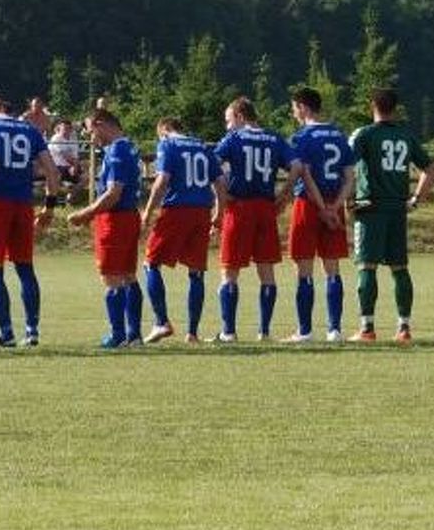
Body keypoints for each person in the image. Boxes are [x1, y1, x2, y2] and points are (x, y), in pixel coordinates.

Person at [0, 92, 63, 347]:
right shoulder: (30, 130)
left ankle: (6, 332)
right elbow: (52, 172)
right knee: (25, 268)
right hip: (23, 204)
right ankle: (32, 331)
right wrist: (49, 207)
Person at [345, 88, 434, 343]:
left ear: (371, 106)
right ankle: (404, 328)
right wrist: (416, 199)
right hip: (397, 208)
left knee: (366, 267)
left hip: (370, 207)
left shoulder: (363, 135)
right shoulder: (406, 136)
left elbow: (348, 169)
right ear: (395, 108)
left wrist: (347, 200)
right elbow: (430, 169)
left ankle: (367, 328)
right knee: (399, 268)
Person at [211, 97, 293, 342]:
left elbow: (211, 164)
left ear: (239, 116)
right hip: (266, 208)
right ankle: (264, 332)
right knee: (267, 272)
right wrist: (284, 195)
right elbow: (298, 167)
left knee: (229, 272)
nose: (227, 127)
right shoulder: (275, 138)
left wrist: (223, 195)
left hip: (240, 208)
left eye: (228, 120)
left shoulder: (234, 139)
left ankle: (229, 332)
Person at [284, 87, 357, 343]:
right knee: (332, 269)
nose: (293, 113)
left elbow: (305, 174)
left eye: (294, 107)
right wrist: (335, 207)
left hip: (309, 205)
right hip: (333, 206)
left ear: (303, 107)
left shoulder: (301, 137)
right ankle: (334, 330)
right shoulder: (339, 135)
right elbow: (350, 177)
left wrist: (322, 208)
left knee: (304, 268)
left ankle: (304, 331)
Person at [68, 109, 145, 349]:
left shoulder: (117, 151)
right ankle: (134, 334)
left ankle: (118, 334)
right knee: (128, 276)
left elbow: (113, 193)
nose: (91, 137)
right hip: (129, 215)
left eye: (91, 130)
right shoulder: (130, 147)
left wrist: (85, 214)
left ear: (102, 124)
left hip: (116, 219)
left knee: (112, 277)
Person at [139, 116, 217, 343]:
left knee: (150, 263)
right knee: (196, 271)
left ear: (164, 130)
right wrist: (219, 212)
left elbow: (162, 180)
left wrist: (148, 211)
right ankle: (192, 332)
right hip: (202, 210)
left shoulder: (167, 144)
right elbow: (220, 182)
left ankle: (161, 322)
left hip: (177, 209)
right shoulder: (201, 145)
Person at [48, 120, 83, 191]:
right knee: (60, 176)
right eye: (64, 128)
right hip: (57, 167)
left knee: (86, 176)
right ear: (59, 128)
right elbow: (65, 156)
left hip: (70, 166)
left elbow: (75, 155)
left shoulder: (73, 138)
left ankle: (71, 195)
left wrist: (75, 166)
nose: (66, 130)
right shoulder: (56, 139)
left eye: (68, 128)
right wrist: (73, 166)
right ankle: (65, 187)